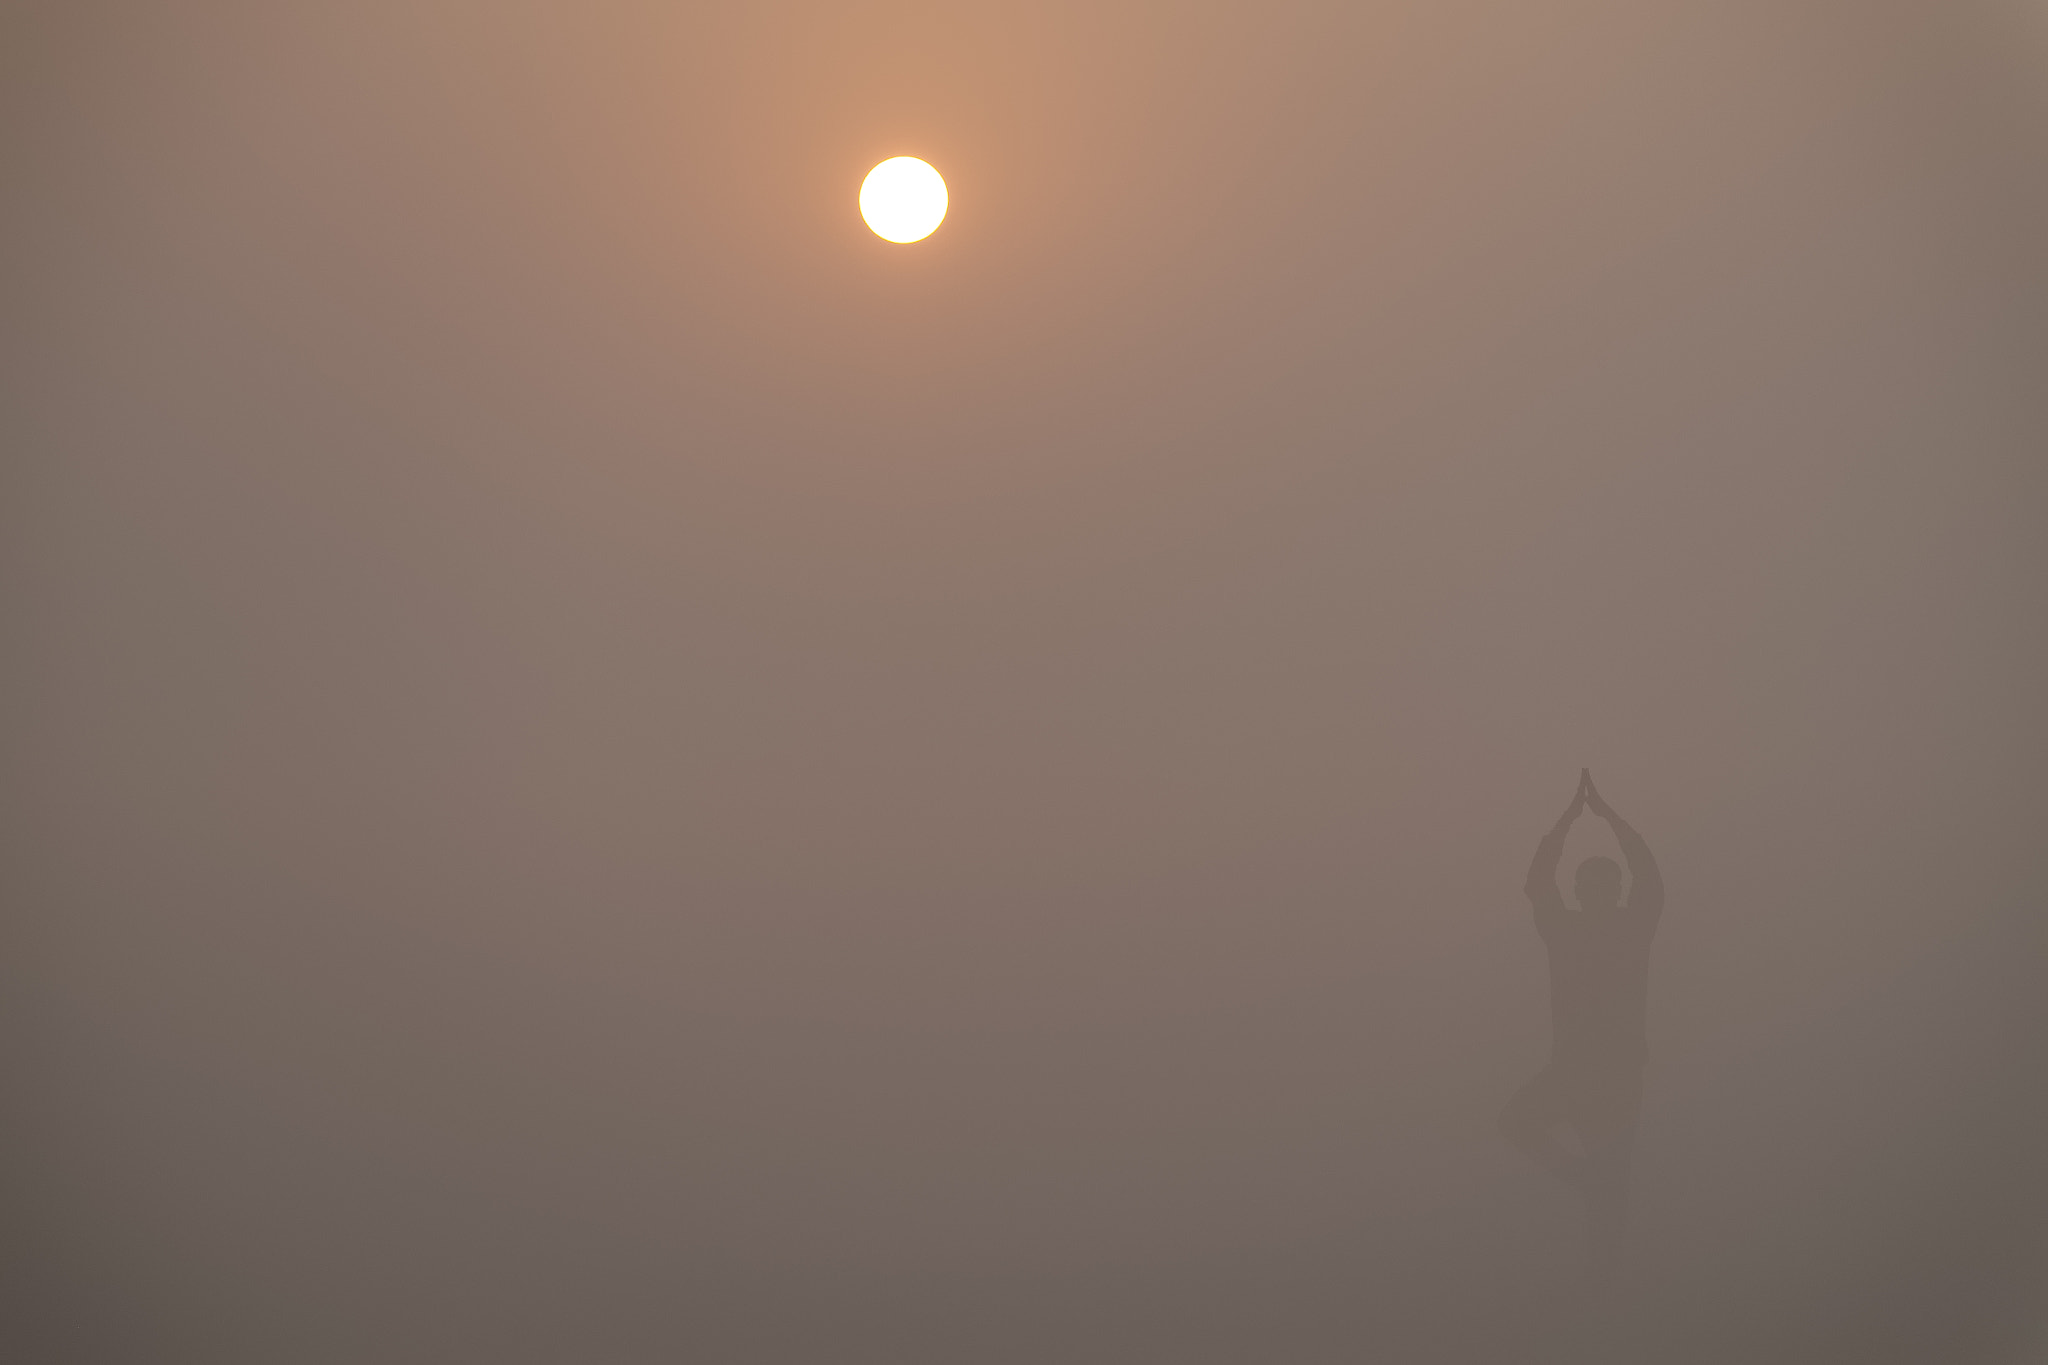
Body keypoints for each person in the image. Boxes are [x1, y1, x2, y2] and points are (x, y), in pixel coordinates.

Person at [1500, 769, 1663, 1282]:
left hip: (1605, 1073)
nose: (1594, 890)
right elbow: (1542, 883)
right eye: (1591, 884)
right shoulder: (1580, 930)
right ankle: (1586, 1189)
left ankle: (1603, 1283)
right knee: (1598, 1179)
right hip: (1581, 1071)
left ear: (1608, 890)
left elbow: (1542, 882)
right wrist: (1588, 818)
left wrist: (1579, 819)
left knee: (1607, 1188)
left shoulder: (1607, 928)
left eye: (1600, 883)